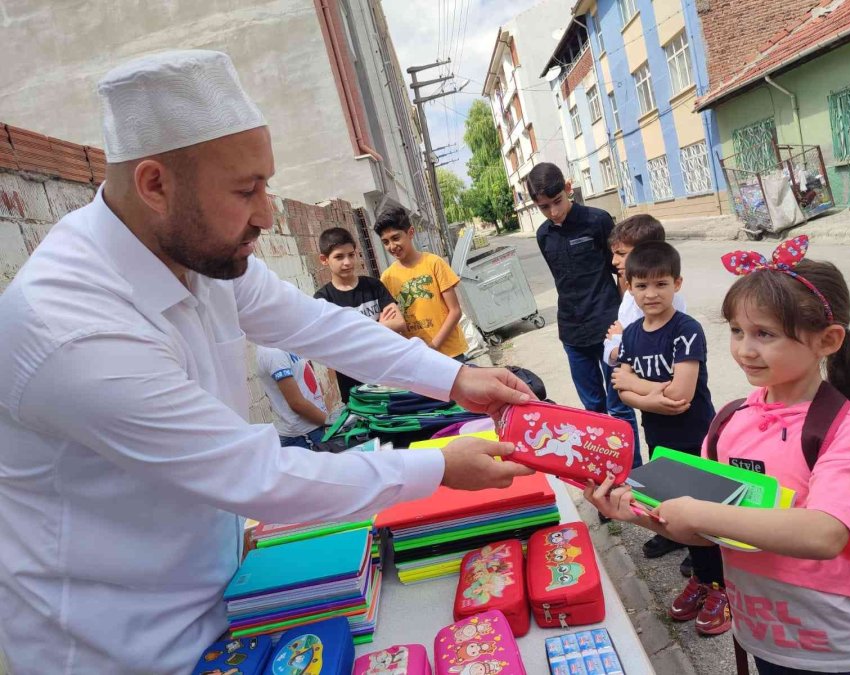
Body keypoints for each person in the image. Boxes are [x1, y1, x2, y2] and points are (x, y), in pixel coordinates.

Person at [0, 50, 536, 674]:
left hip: (231, 602)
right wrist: (436, 466)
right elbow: (257, 476)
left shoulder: (200, 257)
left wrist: (454, 377)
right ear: (154, 185)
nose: (267, 214)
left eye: (266, 183)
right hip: (121, 646)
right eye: (245, 190)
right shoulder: (68, 329)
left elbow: (316, 324)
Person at [589, 237, 850, 673]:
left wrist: (698, 514)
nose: (744, 350)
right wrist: (635, 512)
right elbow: (714, 532)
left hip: (843, 650)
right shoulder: (731, 423)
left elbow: (827, 533)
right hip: (763, 641)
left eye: (765, 334)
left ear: (827, 340)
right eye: (737, 331)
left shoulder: (847, 431)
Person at [611, 241, 728, 636]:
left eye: (661, 284)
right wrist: (648, 393)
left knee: (703, 519)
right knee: (674, 516)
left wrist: (637, 386)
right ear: (628, 287)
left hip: (696, 439)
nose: (651, 294)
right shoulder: (630, 335)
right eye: (641, 286)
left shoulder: (686, 330)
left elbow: (680, 397)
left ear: (677, 283)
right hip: (658, 441)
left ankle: (721, 589)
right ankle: (701, 578)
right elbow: (621, 394)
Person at [528, 163, 628, 428]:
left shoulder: (598, 220)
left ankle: (633, 470)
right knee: (593, 411)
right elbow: (562, 281)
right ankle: (604, 469)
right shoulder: (543, 235)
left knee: (620, 407)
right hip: (572, 334)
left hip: (609, 328)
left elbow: (620, 270)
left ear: (568, 188)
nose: (553, 212)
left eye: (557, 201)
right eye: (544, 207)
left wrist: (623, 316)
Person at [602, 214, 687, 469]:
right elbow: (621, 374)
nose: (614, 260)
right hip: (650, 410)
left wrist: (618, 343)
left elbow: (632, 352)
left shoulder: (673, 317)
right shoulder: (632, 293)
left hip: (677, 416)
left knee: (681, 463)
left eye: (621, 253)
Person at [314, 226, 405, 401]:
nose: (347, 262)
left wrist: (351, 334)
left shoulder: (373, 286)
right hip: (354, 389)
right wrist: (381, 326)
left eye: (351, 254)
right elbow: (333, 346)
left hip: (389, 378)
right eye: (339, 257)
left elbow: (399, 323)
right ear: (324, 260)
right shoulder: (323, 300)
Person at [376, 205, 468, 362]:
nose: (392, 246)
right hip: (417, 359)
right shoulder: (386, 278)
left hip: (450, 354)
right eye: (385, 242)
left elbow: (455, 311)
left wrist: (432, 347)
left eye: (396, 238)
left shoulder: (434, 263)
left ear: (410, 233)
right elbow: (392, 322)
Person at [256, 345, 328, 448]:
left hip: (312, 428)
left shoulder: (283, 345)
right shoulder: (273, 353)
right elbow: (297, 403)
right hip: (303, 436)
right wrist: (332, 422)